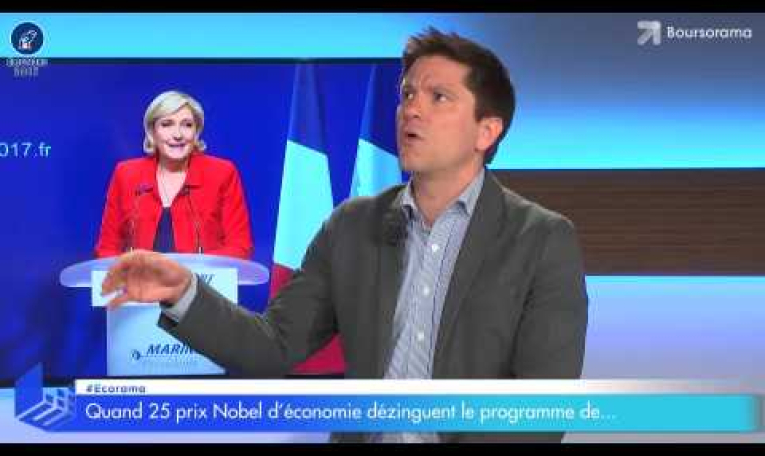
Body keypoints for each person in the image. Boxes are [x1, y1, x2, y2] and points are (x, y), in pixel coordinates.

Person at [101, 28, 588, 443]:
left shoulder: (542, 240)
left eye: (438, 97)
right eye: (407, 95)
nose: (412, 110)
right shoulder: (351, 226)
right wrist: (183, 291)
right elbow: (273, 346)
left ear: (487, 131)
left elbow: (539, 413)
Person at [94, 90, 253, 260]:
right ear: (152, 132)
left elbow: (240, 246)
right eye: (167, 124)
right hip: (140, 277)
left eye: (187, 125)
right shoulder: (126, 174)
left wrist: (190, 270)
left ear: (196, 133)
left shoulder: (222, 173)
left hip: (201, 277)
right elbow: (106, 248)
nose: (177, 135)